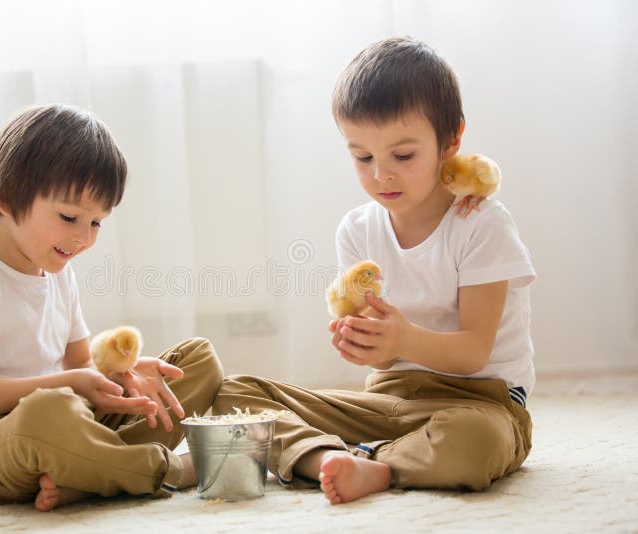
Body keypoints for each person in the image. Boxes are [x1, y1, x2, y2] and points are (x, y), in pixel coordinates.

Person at [214, 36, 535, 504]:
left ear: (451, 141)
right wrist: (370, 345)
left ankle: (370, 464)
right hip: (390, 400)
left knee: (472, 444)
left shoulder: (482, 225)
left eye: (403, 156)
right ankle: (335, 457)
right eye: (363, 157)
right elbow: (385, 362)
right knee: (235, 394)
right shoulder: (357, 229)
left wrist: (404, 339)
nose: (382, 175)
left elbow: (475, 352)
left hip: (481, 403)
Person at [0, 104, 223, 511]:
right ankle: (164, 470)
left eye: (96, 223)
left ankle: (89, 473)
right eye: (70, 216)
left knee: (199, 359)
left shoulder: (55, 270)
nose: (85, 238)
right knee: (51, 411)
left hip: (61, 417)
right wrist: (70, 384)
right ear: (7, 198)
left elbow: (80, 366)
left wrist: (118, 375)